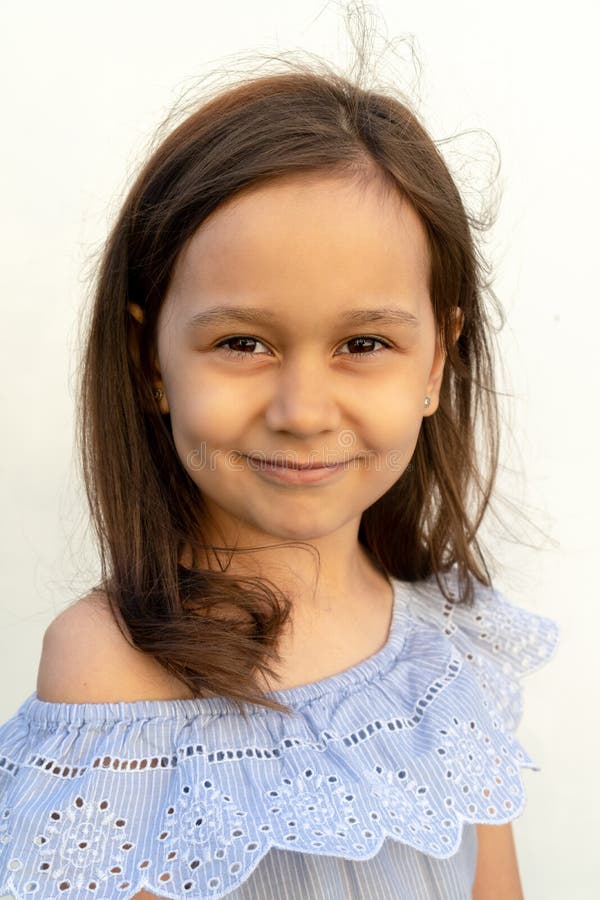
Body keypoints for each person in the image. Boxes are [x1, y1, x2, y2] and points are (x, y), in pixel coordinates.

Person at [0, 51, 559, 900]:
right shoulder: (114, 673)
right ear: (150, 361)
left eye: (363, 344)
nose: (303, 410)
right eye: (242, 343)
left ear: (437, 362)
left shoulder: (446, 644)